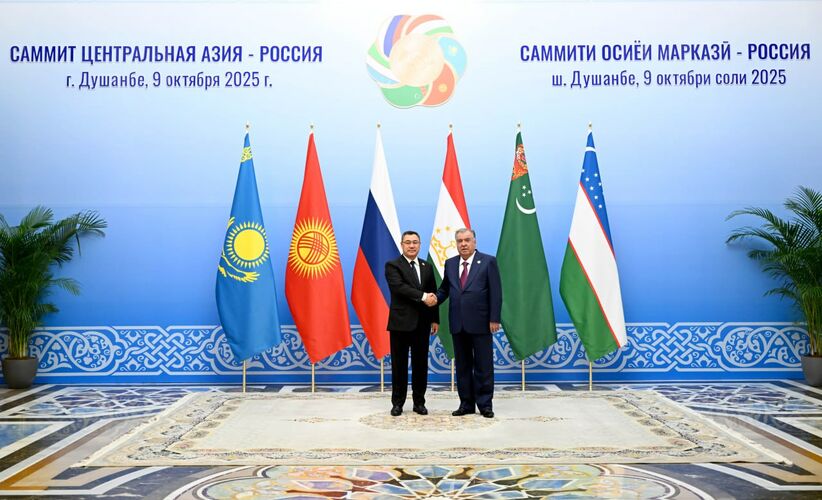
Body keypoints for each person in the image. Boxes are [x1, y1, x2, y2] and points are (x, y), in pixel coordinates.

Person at [433, 228, 502, 418]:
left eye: (467, 240)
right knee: (462, 366)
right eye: (460, 241)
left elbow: (496, 292)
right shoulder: (450, 263)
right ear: (456, 243)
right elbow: (445, 289)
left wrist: (494, 318)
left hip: (482, 323)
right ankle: (466, 404)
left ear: (474, 242)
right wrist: (434, 299)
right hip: (458, 323)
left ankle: (485, 405)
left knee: (483, 366)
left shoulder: (488, 261)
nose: (463, 244)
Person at [385, 230, 439, 416]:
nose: (411, 245)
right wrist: (423, 296)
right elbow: (399, 288)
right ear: (402, 245)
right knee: (399, 366)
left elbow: (433, 292)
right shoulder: (393, 265)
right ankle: (397, 403)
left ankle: (419, 403)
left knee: (420, 365)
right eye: (407, 242)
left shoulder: (427, 266)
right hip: (400, 324)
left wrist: (435, 318)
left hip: (422, 324)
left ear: (419, 245)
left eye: (415, 242)